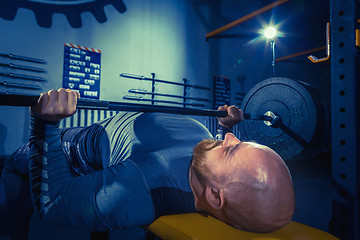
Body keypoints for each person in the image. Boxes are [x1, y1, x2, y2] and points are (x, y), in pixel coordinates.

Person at [0, 88, 295, 239]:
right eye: (237, 142)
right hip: (106, 147)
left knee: (13, 168)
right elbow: (226, 171)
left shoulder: (137, 192)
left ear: (215, 196)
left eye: (231, 150)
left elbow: (53, 205)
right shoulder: (208, 161)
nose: (230, 136)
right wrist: (220, 127)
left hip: (70, 149)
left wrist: (45, 123)